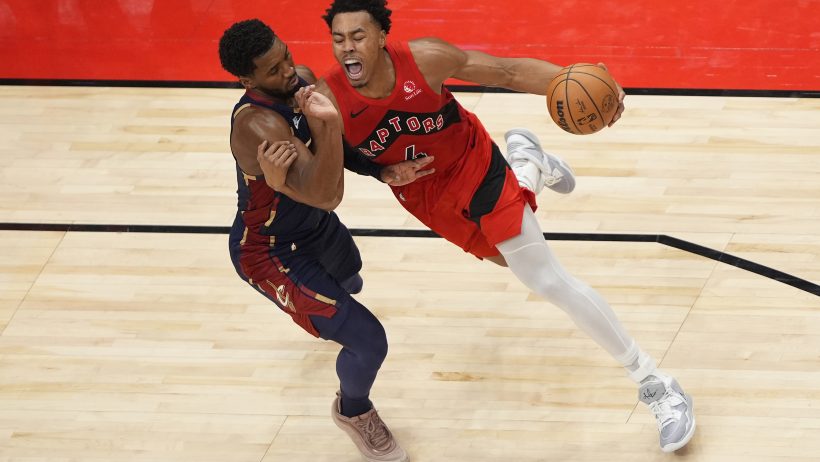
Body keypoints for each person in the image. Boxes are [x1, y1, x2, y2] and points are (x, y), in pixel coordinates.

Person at [313, 0, 697, 457]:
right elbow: (342, 158)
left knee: (545, 278)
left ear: (380, 38)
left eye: (357, 36)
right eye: (338, 39)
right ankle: (528, 161)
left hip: (473, 164)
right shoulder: (329, 97)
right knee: (504, 257)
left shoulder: (425, 58)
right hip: (426, 196)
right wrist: (381, 174)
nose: (347, 48)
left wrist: (583, 82)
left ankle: (657, 385)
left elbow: (508, 72)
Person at [218, 19, 408, 462]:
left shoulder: (299, 78)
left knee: (351, 280)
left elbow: (339, 143)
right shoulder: (259, 125)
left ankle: (321, 315)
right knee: (369, 341)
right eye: (273, 69)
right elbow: (328, 195)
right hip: (270, 252)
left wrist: (379, 169)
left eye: (285, 55)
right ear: (247, 81)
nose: (289, 71)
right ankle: (354, 410)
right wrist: (323, 125)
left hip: (312, 227)